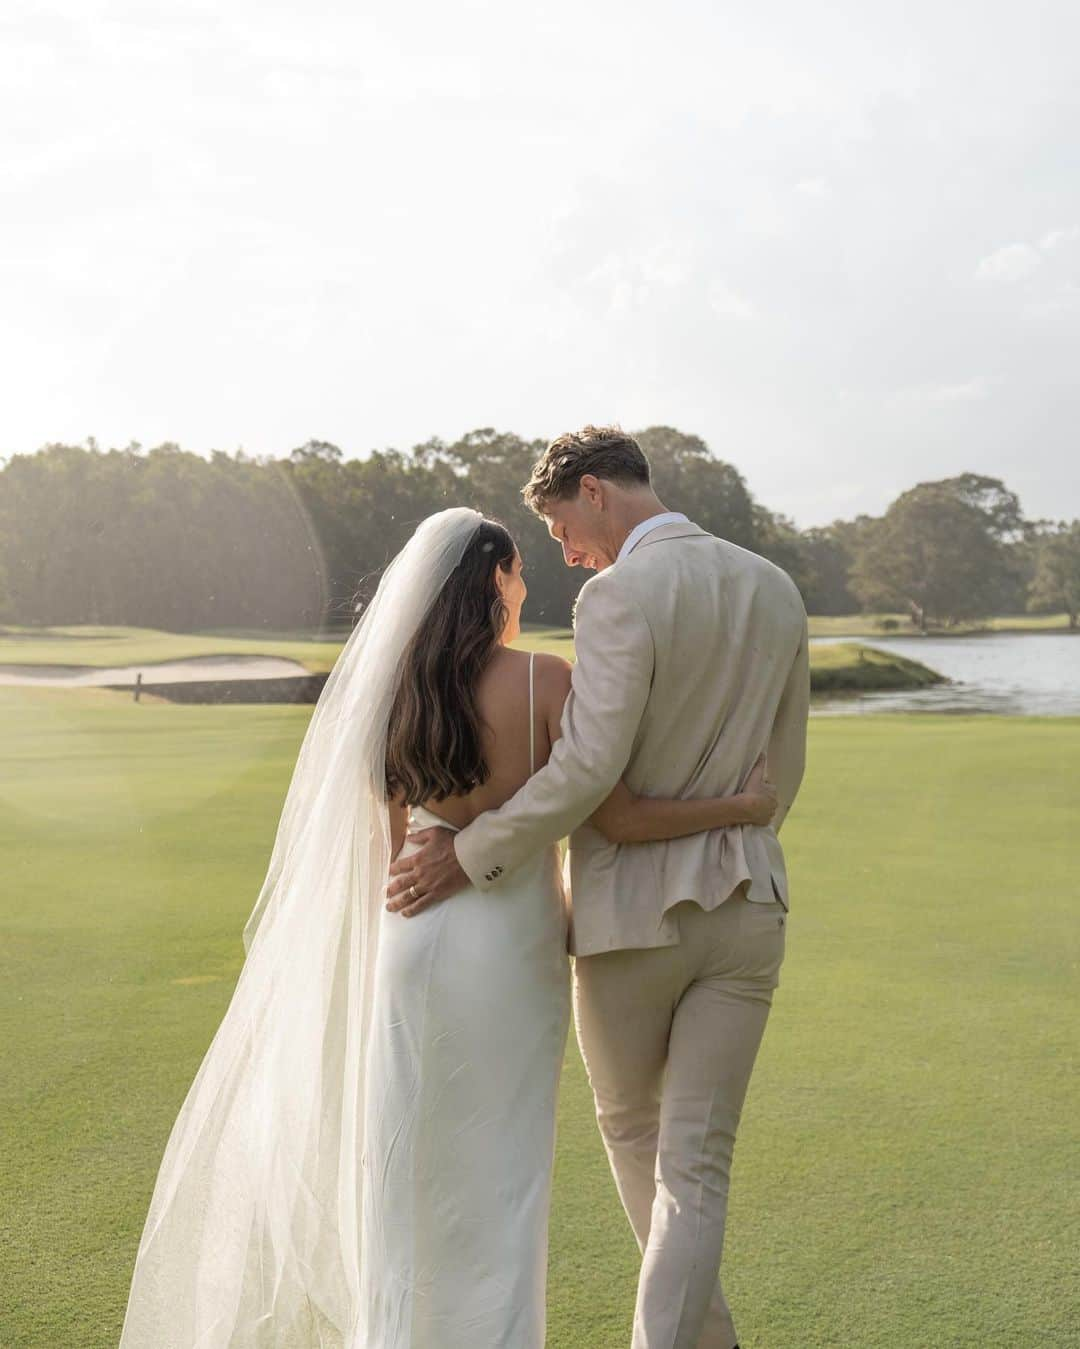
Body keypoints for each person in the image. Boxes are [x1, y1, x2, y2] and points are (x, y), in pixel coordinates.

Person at [118, 505, 778, 1349]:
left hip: (416, 938)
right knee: (503, 1175)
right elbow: (615, 817)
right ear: (492, 580)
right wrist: (741, 805)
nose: (527, 584)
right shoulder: (549, 680)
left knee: (404, 1170)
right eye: (517, 571)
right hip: (510, 950)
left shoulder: (396, 694)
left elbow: (398, 850)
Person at [388, 427, 810, 1349]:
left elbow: (585, 772)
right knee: (695, 1168)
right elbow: (788, 769)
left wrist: (471, 853)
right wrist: (737, 835)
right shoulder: (775, 588)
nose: (566, 553)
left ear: (593, 490)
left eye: (562, 528)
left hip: (631, 924)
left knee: (641, 1142)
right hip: (749, 902)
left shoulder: (617, 595)